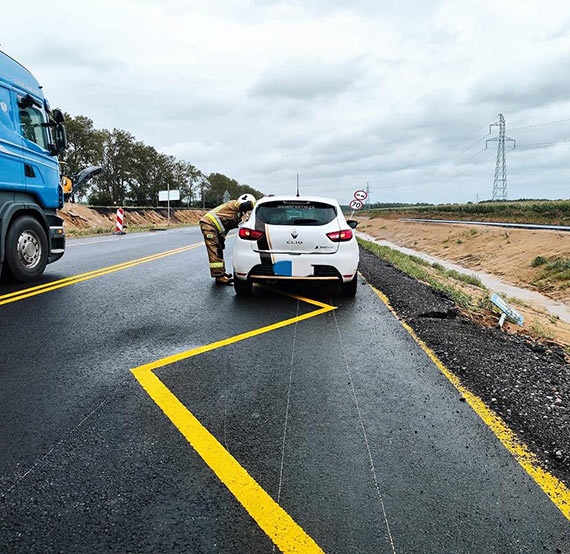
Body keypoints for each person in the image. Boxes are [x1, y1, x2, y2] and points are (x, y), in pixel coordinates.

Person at [199, 194, 256, 285]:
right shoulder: (234, 204)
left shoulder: (238, 214)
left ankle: (221, 272)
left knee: (219, 249)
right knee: (215, 250)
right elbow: (244, 205)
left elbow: (225, 227)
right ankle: (219, 276)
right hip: (208, 224)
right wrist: (259, 202)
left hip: (215, 228)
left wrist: (222, 239)